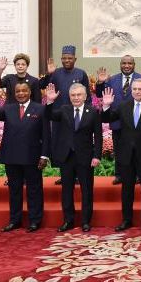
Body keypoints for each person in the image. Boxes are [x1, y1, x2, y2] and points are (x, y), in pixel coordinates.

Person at [100, 78, 141, 231]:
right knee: (126, 189)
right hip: (126, 155)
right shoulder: (123, 106)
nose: (137, 91)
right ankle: (126, 220)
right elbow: (107, 119)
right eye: (134, 89)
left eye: (140, 89)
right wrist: (106, 106)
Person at [0, 81, 50, 232]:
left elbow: (46, 134)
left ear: (30, 92)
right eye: (18, 91)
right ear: (14, 94)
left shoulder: (40, 109)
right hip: (12, 156)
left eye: (24, 91)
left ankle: (35, 221)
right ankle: (14, 220)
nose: (21, 93)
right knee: (14, 190)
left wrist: (44, 155)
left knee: (34, 190)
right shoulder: (8, 108)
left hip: (33, 156)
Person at [43, 84, 102, 232]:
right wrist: (49, 102)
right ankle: (68, 221)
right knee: (66, 191)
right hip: (66, 156)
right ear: (69, 97)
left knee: (87, 190)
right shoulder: (64, 110)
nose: (76, 97)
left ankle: (86, 222)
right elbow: (48, 115)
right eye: (73, 95)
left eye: (79, 95)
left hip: (86, 157)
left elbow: (99, 136)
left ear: (85, 96)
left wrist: (97, 156)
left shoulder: (93, 111)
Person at [39, 45, 90, 185]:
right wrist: (49, 74)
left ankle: (78, 175)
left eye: (70, 58)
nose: (67, 60)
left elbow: (88, 96)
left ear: (75, 59)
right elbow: (42, 86)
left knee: (78, 144)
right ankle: (65, 175)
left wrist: (88, 113)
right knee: (61, 145)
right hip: (59, 116)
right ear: (61, 59)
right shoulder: (55, 73)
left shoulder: (81, 73)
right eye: (64, 58)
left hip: (78, 115)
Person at [94, 55, 141, 184]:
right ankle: (119, 175)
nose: (127, 65)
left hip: (137, 123)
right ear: (120, 64)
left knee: (138, 150)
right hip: (117, 122)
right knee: (119, 150)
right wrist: (101, 83)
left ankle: (137, 175)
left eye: (129, 63)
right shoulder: (112, 80)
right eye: (124, 63)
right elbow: (100, 95)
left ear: (134, 64)